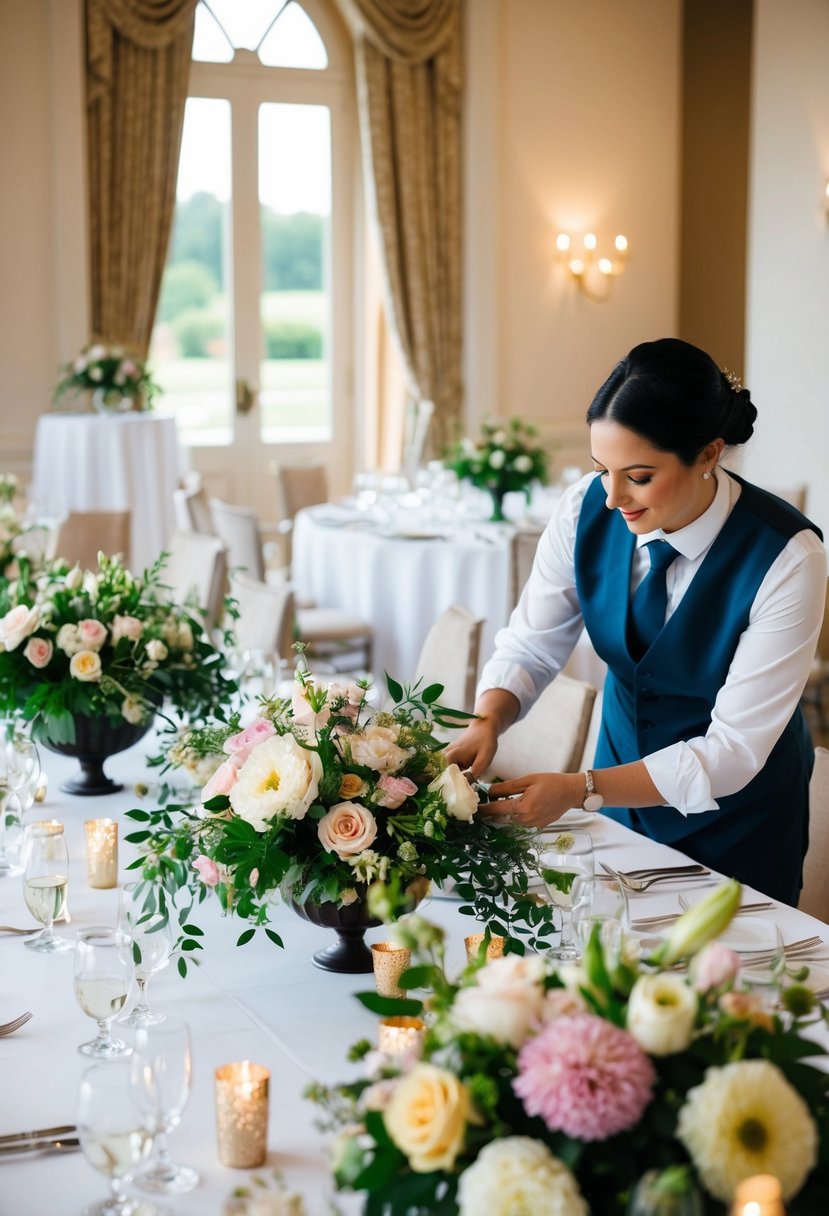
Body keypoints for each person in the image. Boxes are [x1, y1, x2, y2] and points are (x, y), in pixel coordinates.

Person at [447, 338, 826, 905]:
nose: (612, 496)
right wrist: (488, 721)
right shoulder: (584, 510)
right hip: (618, 791)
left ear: (708, 454)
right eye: (602, 469)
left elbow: (732, 752)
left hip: (738, 817)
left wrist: (582, 788)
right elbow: (531, 643)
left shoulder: (788, 556)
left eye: (639, 476)